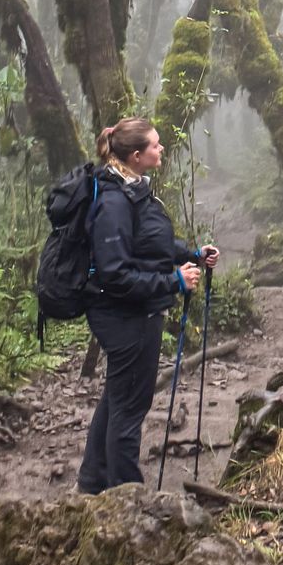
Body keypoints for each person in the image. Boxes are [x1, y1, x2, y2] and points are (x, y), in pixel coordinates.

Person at [77, 117, 219, 494]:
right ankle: (127, 500)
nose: (161, 149)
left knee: (116, 398)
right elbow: (114, 273)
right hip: (125, 317)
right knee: (129, 409)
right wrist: (173, 280)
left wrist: (191, 253)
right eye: (155, 145)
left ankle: (93, 484)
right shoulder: (113, 202)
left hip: (137, 312)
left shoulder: (133, 189)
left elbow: (150, 242)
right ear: (137, 155)